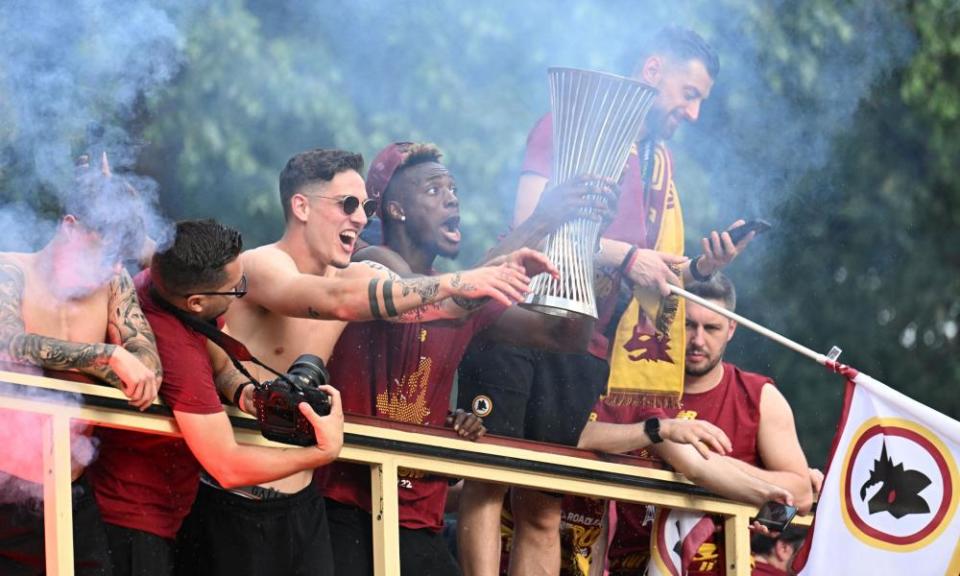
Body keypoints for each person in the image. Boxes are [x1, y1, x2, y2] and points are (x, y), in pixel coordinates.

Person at [457, 27, 755, 576]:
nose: (692, 113)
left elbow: (653, 269)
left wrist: (706, 268)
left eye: (700, 102)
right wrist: (622, 257)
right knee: (489, 480)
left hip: (584, 339)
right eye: (689, 94)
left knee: (546, 502)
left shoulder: (654, 165)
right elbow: (529, 222)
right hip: (521, 318)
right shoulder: (566, 125)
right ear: (652, 72)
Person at [181, 148, 545, 571]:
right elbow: (334, 301)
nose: (360, 218)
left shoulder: (353, 275)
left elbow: (438, 305)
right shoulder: (262, 265)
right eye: (347, 205)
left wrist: (502, 269)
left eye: (366, 207)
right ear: (301, 206)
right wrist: (465, 279)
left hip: (304, 508)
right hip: (232, 506)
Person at [320, 141, 660, 576]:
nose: (451, 198)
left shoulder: (463, 299)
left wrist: (581, 240)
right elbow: (435, 298)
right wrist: (542, 217)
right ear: (395, 210)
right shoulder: (369, 265)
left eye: (454, 190)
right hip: (348, 506)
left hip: (419, 516)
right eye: (433, 190)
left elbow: (566, 335)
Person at [85, 219, 344, 576]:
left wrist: (249, 394)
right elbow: (227, 464)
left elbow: (221, 362)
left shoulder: (166, 283)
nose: (242, 292)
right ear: (196, 303)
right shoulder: (175, 350)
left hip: (165, 511)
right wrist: (322, 453)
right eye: (235, 290)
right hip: (132, 524)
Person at [581, 273, 812, 575]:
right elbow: (576, 436)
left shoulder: (760, 397)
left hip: (729, 565)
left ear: (731, 328)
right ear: (669, 321)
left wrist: (737, 482)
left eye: (711, 327)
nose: (698, 340)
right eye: (688, 325)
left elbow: (801, 494)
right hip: (631, 564)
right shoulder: (636, 385)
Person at [0, 155, 163, 575]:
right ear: (69, 227)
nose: (113, 268)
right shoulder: (10, 271)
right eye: (106, 251)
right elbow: (9, 341)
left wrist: (125, 361)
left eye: (122, 258)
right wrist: (107, 356)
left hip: (71, 489)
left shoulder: (114, 283)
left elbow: (147, 370)